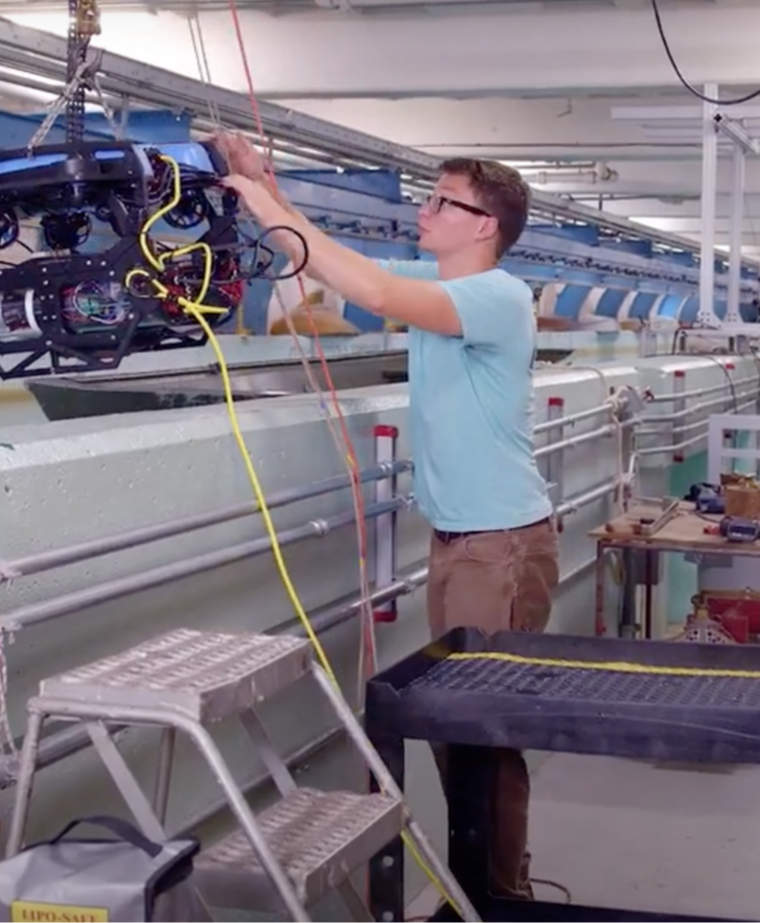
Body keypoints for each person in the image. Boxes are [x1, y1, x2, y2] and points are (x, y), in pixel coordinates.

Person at [213, 133, 559, 901]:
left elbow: (372, 293)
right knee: (457, 734)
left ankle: (499, 900)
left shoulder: (495, 296)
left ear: (485, 225)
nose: (423, 210)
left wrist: (260, 200)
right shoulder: (441, 280)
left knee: (482, 737)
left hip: (498, 547)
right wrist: (267, 186)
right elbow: (327, 261)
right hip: (461, 543)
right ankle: (484, 891)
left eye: (442, 201)